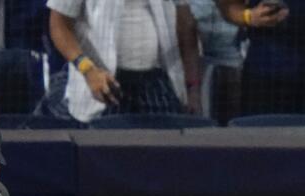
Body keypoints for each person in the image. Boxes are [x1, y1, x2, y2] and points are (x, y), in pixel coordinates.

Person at [37, 0, 201, 123]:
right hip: (103, 84)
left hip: (157, 83)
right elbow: (58, 25)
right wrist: (88, 70)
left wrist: (193, 88)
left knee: (164, 156)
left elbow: (186, 25)